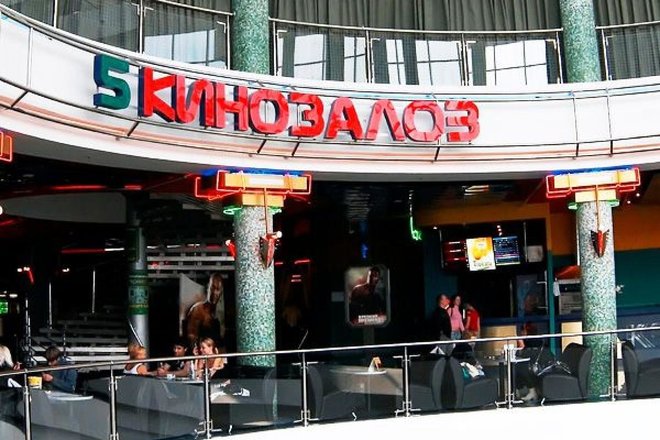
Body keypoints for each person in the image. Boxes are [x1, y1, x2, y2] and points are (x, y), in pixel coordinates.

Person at [186, 273, 225, 347]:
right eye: (212, 288)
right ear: (208, 288)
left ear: (221, 291)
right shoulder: (197, 309)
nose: (214, 292)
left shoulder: (221, 313)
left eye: (217, 289)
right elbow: (191, 336)